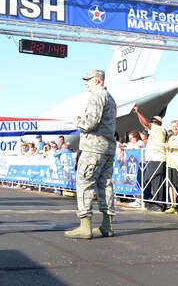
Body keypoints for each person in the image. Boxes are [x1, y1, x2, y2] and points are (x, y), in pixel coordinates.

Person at [64, 69, 116, 239]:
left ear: (98, 80)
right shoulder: (110, 98)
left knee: (84, 183)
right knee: (105, 185)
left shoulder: (97, 96)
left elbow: (90, 123)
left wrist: (77, 122)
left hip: (93, 147)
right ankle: (106, 225)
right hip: (107, 148)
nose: (86, 83)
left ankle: (85, 225)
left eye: (89, 80)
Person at [134, 108, 167, 212]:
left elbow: (145, 123)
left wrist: (138, 112)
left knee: (157, 182)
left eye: (155, 122)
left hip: (157, 158)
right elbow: (145, 124)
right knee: (152, 181)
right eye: (152, 121)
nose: (152, 123)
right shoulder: (154, 132)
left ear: (159, 123)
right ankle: (155, 201)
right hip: (153, 158)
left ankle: (159, 204)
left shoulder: (158, 129)